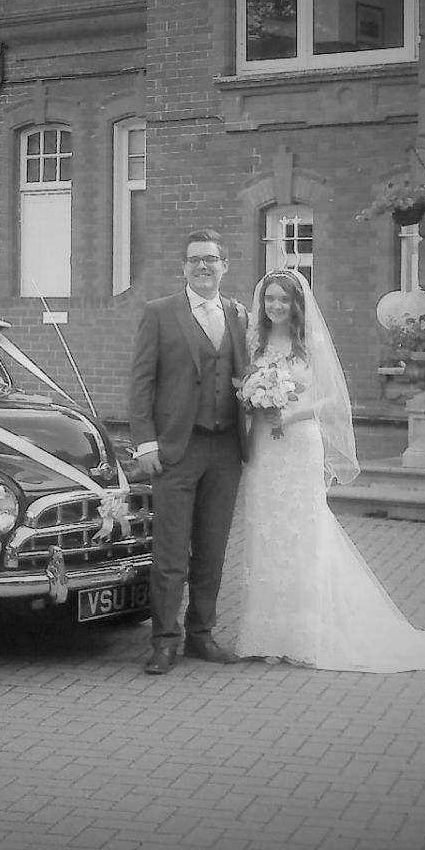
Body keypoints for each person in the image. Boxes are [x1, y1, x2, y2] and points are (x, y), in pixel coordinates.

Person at [229, 268, 425, 673]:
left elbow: (332, 399)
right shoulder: (254, 341)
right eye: (270, 299)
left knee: (301, 533)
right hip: (264, 448)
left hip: (298, 444)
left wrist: (292, 413)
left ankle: (301, 634)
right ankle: (266, 635)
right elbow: (242, 386)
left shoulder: (309, 343)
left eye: (283, 299)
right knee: (265, 532)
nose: (276, 306)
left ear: (297, 304)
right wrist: (252, 397)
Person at [127, 229, 251, 675]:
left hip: (226, 450)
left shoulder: (238, 316)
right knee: (170, 554)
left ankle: (202, 634)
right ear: (184, 267)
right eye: (195, 260)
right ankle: (164, 640)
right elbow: (141, 382)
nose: (203, 266)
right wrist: (145, 443)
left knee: (213, 550)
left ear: (224, 266)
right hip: (177, 450)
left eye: (211, 260)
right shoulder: (159, 313)